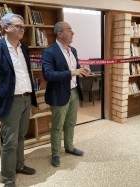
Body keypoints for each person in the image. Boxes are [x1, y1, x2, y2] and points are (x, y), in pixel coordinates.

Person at [0, 13, 37, 187]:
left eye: (23, 27)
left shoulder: (24, 48)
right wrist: (2, 91)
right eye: (18, 26)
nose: (22, 29)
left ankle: (19, 165)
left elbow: (26, 73)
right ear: (6, 27)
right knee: (10, 142)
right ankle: (8, 178)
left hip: (26, 99)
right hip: (10, 102)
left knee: (20, 136)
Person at [41, 22, 90, 167]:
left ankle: (69, 147)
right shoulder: (49, 51)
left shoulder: (73, 50)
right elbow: (48, 74)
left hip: (74, 91)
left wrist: (82, 70)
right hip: (58, 94)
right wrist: (71, 73)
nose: (73, 32)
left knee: (70, 123)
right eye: (69, 30)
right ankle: (55, 153)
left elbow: (75, 69)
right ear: (60, 34)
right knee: (57, 126)